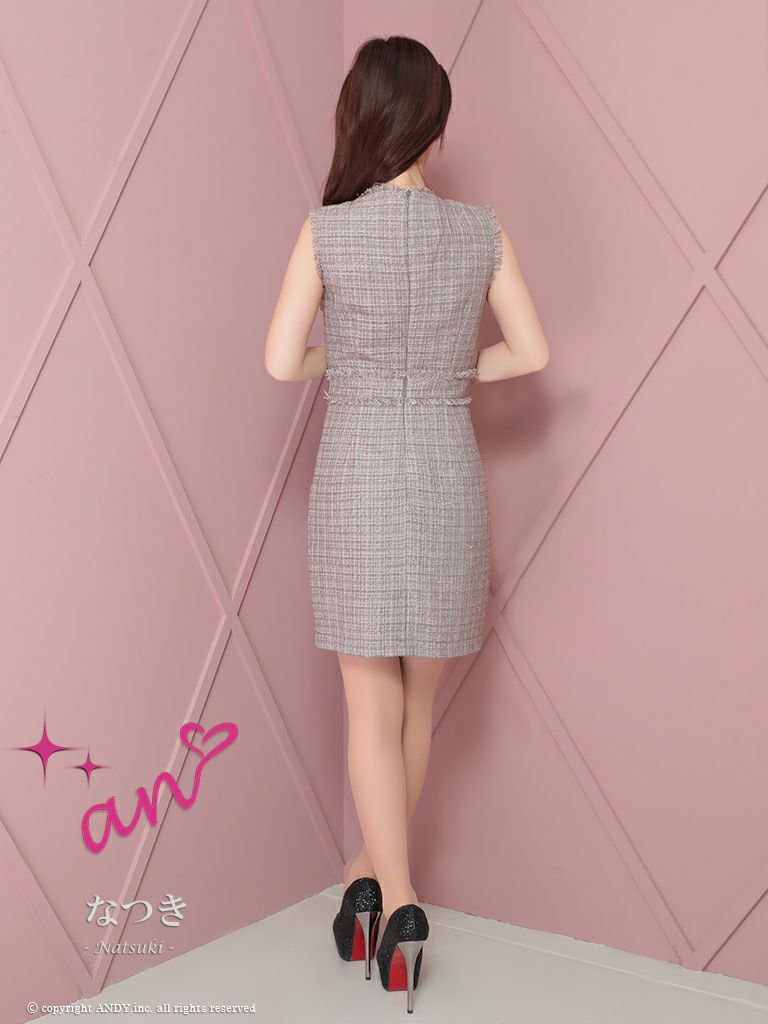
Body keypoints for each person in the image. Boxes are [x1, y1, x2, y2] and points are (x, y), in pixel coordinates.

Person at [265, 35, 549, 1013]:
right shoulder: (481, 231)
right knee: (417, 703)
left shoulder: (327, 231)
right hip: (445, 470)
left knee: (367, 709)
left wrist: (343, 364)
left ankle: (397, 902)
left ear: (359, 118)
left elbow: (280, 360)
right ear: (436, 124)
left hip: (358, 474)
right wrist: (452, 372)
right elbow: (531, 351)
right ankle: (373, 885)